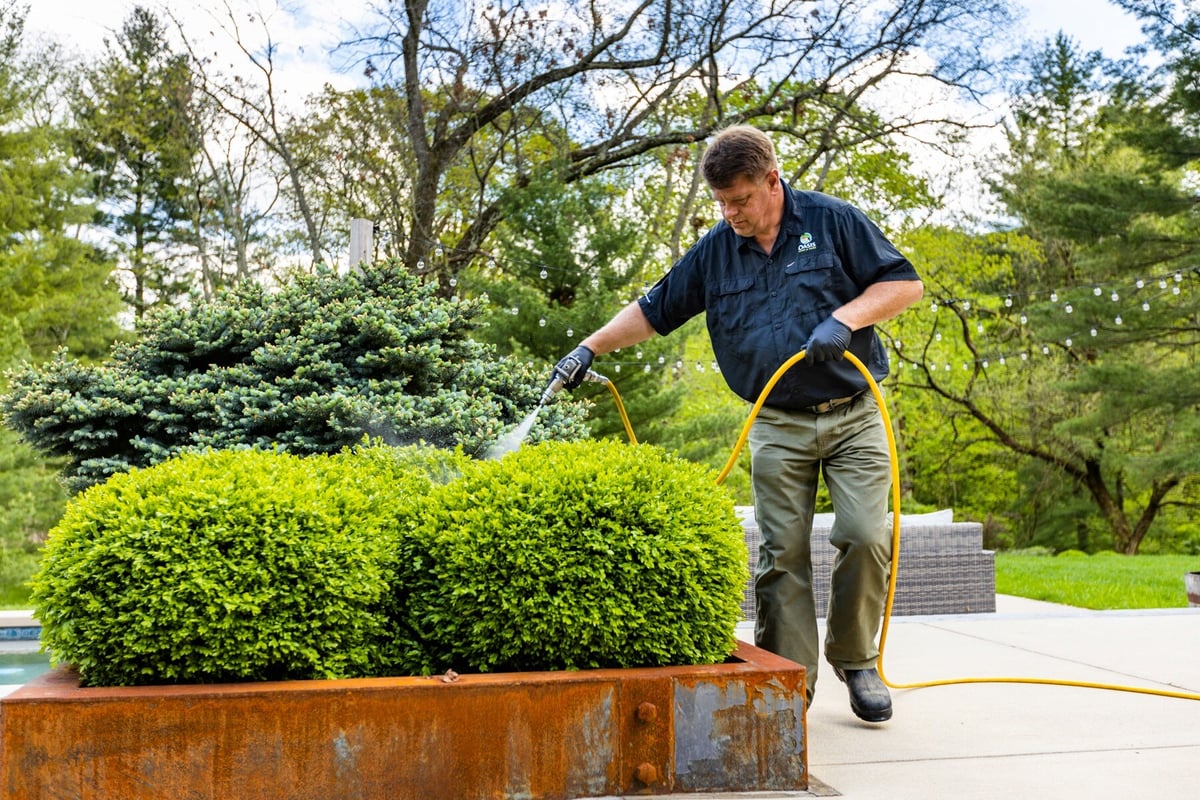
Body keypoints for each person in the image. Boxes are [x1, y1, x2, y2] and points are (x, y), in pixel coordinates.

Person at [549, 125, 923, 722]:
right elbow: (654, 310)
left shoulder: (833, 222)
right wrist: (589, 348)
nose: (731, 213)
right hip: (776, 421)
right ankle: (787, 684)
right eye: (721, 202)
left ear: (772, 180)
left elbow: (905, 283)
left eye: (741, 200)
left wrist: (846, 319)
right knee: (781, 554)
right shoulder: (717, 250)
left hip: (854, 414)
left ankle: (856, 660)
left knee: (865, 535)